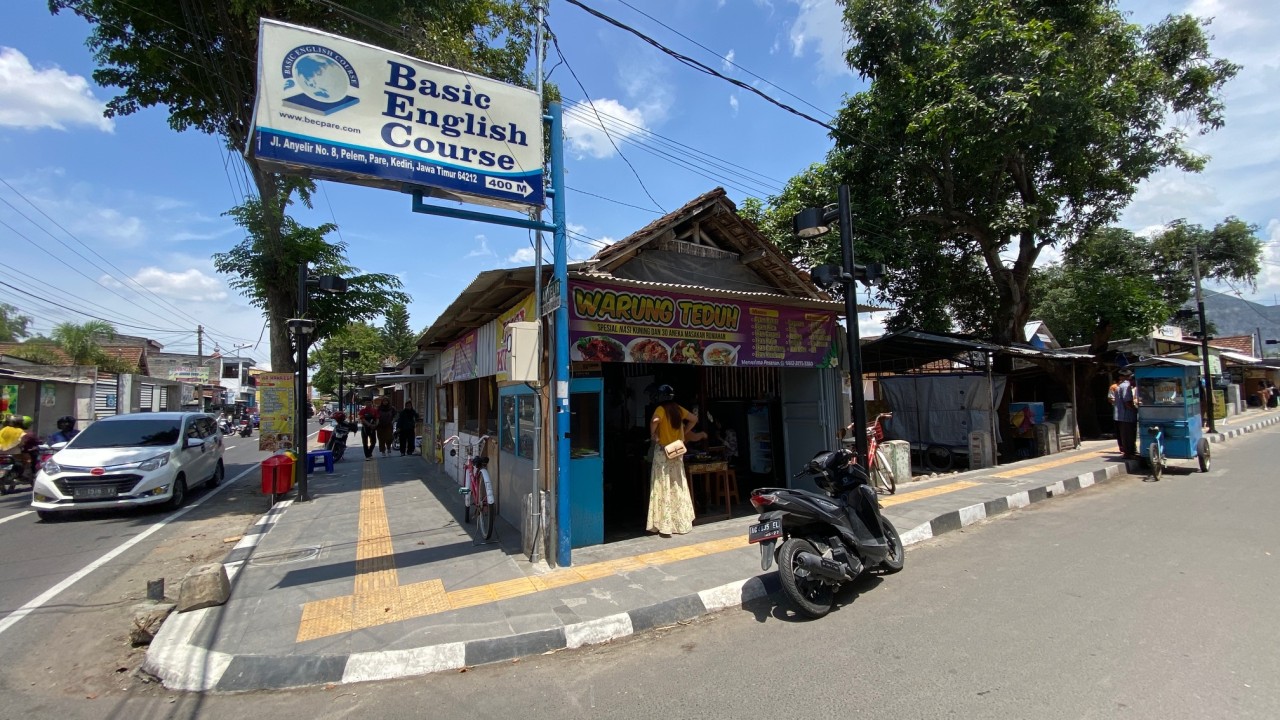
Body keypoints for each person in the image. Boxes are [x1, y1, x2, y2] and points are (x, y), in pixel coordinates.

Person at [646, 385, 706, 536]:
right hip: (677, 451)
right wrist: (684, 432)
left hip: (663, 452)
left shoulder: (660, 409)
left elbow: (655, 420)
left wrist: (653, 434)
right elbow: (694, 419)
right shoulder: (677, 408)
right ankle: (681, 522)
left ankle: (664, 525)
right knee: (677, 484)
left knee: (661, 485)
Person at [1108, 368, 1139, 457]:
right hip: (1126, 415)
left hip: (1123, 415)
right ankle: (1129, 453)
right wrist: (1135, 409)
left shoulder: (1121, 386)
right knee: (1128, 435)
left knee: (1128, 435)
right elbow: (1127, 402)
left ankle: (1130, 452)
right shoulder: (1126, 386)